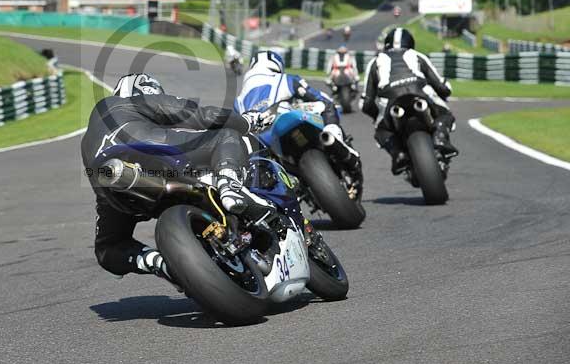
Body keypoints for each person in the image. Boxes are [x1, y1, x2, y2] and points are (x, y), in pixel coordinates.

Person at [81, 73, 273, 286]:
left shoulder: (89, 137)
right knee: (225, 135)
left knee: (108, 246)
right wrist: (246, 122)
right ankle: (230, 186)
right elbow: (199, 115)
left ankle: (159, 263)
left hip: (113, 189)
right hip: (149, 152)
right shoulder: (129, 102)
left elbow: (106, 253)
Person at [234, 50, 363, 183]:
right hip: (286, 119)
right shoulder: (286, 79)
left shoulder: (238, 101)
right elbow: (318, 97)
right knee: (327, 105)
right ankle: (334, 140)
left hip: (265, 143)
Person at [360, 28, 458, 174]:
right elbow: (441, 86)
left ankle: (397, 153)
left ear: (386, 44)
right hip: (419, 91)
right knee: (445, 114)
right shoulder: (417, 55)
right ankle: (440, 137)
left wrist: (377, 118)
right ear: (411, 43)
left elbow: (366, 103)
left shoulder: (375, 62)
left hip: (391, 98)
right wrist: (445, 91)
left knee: (380, 130)